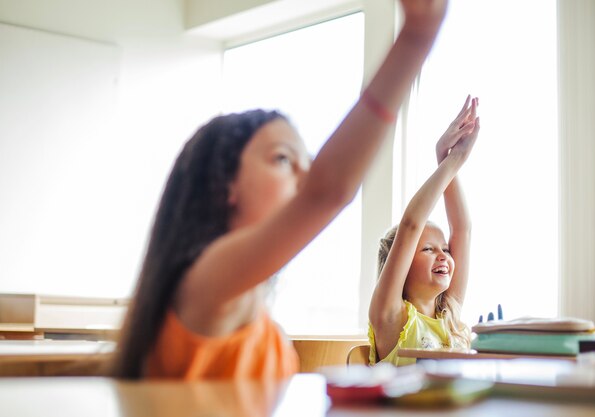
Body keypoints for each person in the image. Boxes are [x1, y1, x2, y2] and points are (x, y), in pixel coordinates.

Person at [110, 0, 450, 380]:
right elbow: (328, 188)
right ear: (225, 187)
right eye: (284, 159)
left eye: (308, 163)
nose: (306, 178)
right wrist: (415, 38)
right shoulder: (204, 282)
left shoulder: (258, 321)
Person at [368, 96, 480, 366]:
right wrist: (457, 160)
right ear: (401, 264)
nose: (443, 255)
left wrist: (444, 157)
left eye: (445, 249)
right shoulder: (392, 318)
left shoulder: (449, 317)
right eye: (429, 249)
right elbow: (411, 225)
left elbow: (462, 230)